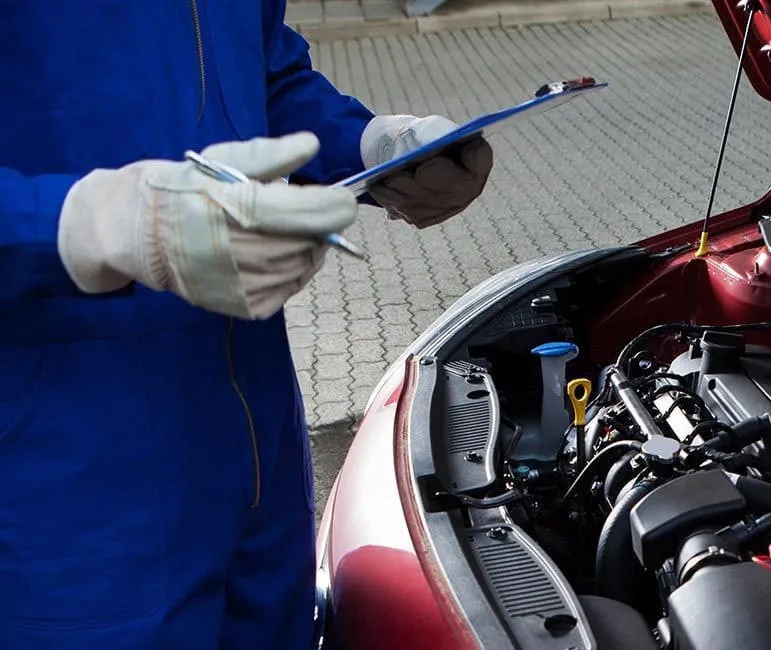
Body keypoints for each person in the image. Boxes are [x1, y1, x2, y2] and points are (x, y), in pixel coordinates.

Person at [0, 2, 492, 649]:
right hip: (73, 487)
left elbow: (263, 77)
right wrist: (92, 226)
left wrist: (370, 147)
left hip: (260, 457)